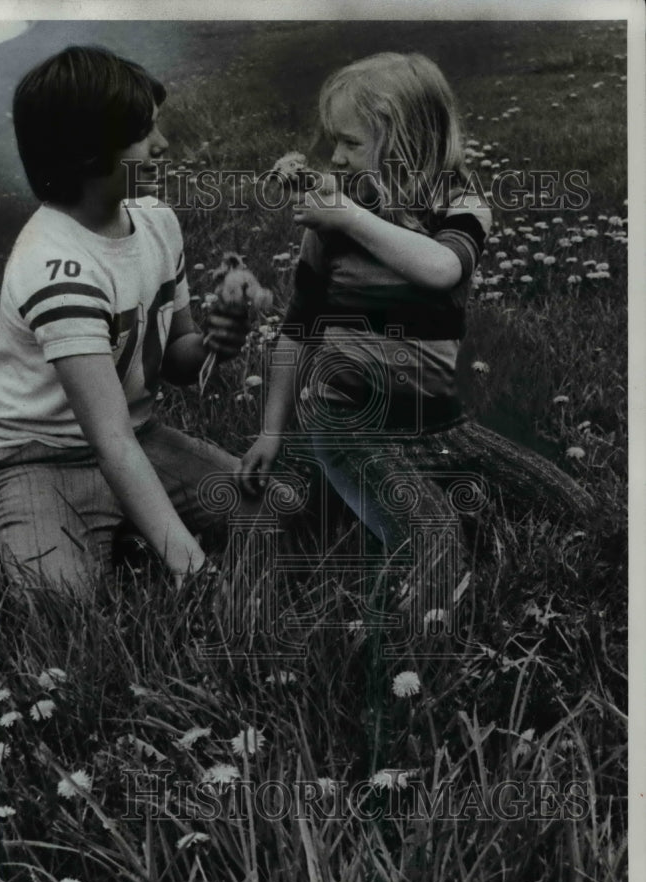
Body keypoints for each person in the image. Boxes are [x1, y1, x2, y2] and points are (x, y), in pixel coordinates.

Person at [241, 52, 593, 611]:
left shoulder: (462, 206)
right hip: (350, 426)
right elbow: (296, 328)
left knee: (575, 508)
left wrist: (352, 220)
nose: (335, 156)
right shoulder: (331, 223)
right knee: (433, 542)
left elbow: (440, 269)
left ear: (407, 143)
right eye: (334, 141)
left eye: (351, 142)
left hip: (439, 422)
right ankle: (410, 665)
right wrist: (271, 432)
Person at [0, 46, 252, 599]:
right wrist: (193, 571)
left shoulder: (156, 222)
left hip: (139, 438)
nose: (163, 145)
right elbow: (109, 441)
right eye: (143, 134)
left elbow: (176, 358)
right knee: (63, 599)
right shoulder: (56, 268)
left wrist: (221, 336)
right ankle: (69, 522)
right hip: (40, 457)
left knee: (273, 509)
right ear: (85, 153)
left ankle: (130, 522)